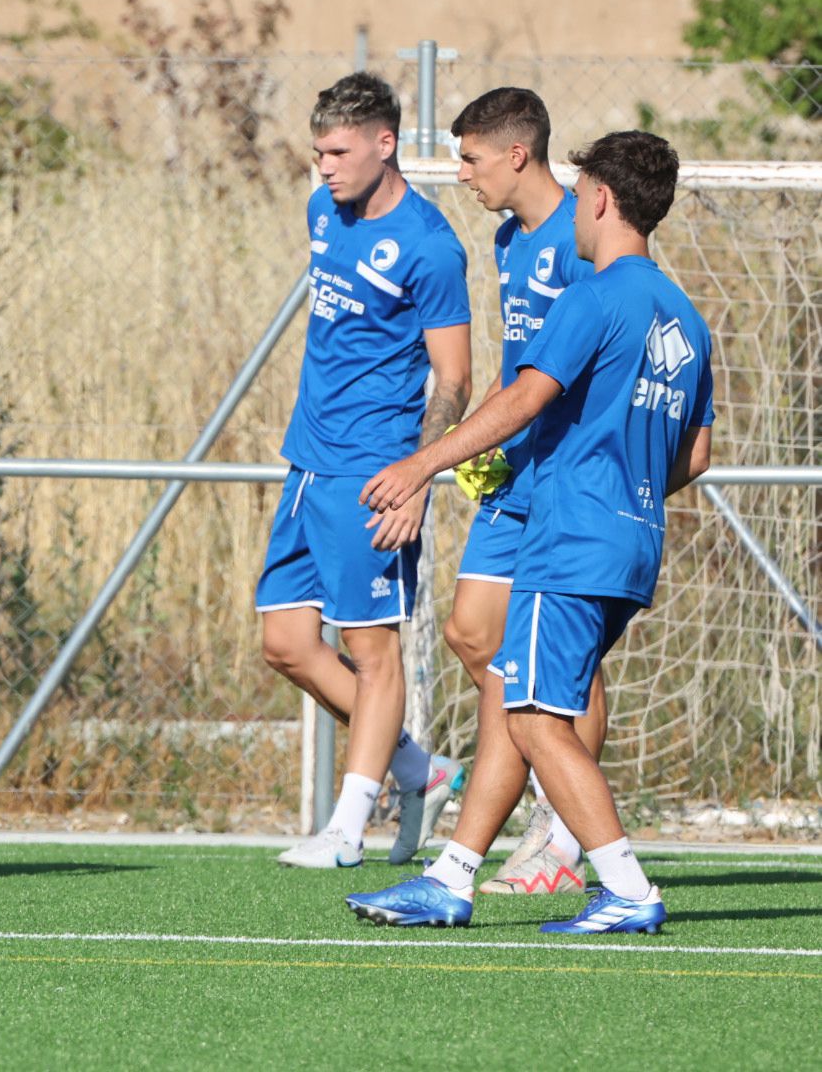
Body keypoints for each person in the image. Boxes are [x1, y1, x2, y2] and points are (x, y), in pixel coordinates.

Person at [347, 130, 714, 933]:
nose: (575, 209)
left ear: (601, 200)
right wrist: (628, 486)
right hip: (630, 540)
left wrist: (420, 466)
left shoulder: (595, 293)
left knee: (539, 720)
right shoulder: (685, 316)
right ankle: (453, 875)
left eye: (582, 194)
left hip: (571, 541)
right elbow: (698, 453)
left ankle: (625, 887)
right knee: (520, 700)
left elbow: (523, 399)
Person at [261, 73, 472, 869]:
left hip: (371, 476)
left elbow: (453, 376)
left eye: (339, 151)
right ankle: (418, 770)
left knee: (372, 649)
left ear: (386, 144)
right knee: (285, 643)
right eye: (318, 151)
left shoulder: (429, 246)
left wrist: (417, 474)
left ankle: (348, 829)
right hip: (307, 464)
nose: (324, 167)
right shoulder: (323, 211)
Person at [446, 87, 605, 896]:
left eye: (470, 159)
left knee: (562, 653)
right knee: (474, 633)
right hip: (515, 468)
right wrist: (488, 437)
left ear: (516, 154)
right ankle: (540, 763)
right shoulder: (510, 240)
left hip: (569, 477)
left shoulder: (584, 232)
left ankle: (560, 827)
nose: (461, 176)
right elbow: (519, 365)